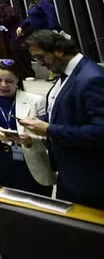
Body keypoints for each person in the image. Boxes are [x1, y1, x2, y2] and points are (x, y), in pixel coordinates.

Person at [20, 31, 104, 208]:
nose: (39, 63)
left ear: (58, 50)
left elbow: (100, 131)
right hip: (69, 173)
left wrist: (49, 130)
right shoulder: (68, 74)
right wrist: (39, 121)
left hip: (89, 180)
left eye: (40, 57)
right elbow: (69, 112)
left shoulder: (92, 78)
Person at [0, 59, 54, 196]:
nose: (3, 85)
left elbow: (48, 133)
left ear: (18, 79)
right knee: (6, 201)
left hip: (31, 161)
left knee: (36, 201)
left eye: (9, 81)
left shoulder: (36, 101)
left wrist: (31, 139)